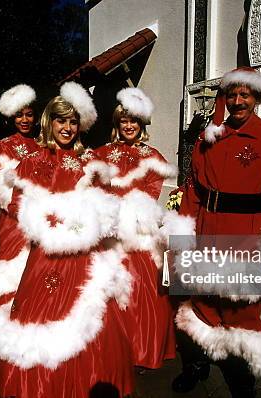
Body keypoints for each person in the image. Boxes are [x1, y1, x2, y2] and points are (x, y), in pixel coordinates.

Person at [172, 67, 261, 397]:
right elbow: (193, 188)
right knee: (202, 302)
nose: (238, 101)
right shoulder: (208, 138)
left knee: (241, 309)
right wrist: (182, 234)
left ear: (256, 99)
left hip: (248, 234)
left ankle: (241, 377)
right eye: (232, 94)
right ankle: (197, 362)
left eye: (245, 95)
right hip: (208, 229)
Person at [0, 82, 134, 397]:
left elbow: (108, 205)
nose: (67, 127)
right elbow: (17, 205)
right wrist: (51, 221)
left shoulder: (91, 162)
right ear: (49, 122)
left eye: (72, 121)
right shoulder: (33, 160)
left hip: (85, 256)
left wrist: (91, 219)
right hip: (48, 256)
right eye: (60, 120)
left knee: (94, 322)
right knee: (39, 318)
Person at [95, 87, 178, 370]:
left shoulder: (152, 156)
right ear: (117, 124)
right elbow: (93, 189)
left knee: (144, 288)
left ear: (141, 124)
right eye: (124, 121)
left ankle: (141, 350)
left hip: (140, 233)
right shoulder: (102, 154)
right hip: (109, 232)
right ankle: (109, 349)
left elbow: (151, 194)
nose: (129, 126)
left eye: (134, 121)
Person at [0, 84, 40, 349]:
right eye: (19, 115)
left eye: (29, 114)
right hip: (13, 221)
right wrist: (23, 210)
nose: (25, 120)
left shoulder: (43, 144)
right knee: (7, 273)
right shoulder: (2, 147)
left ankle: (28, 323)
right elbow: (1, 190)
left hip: (41, 219)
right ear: (11, 118)